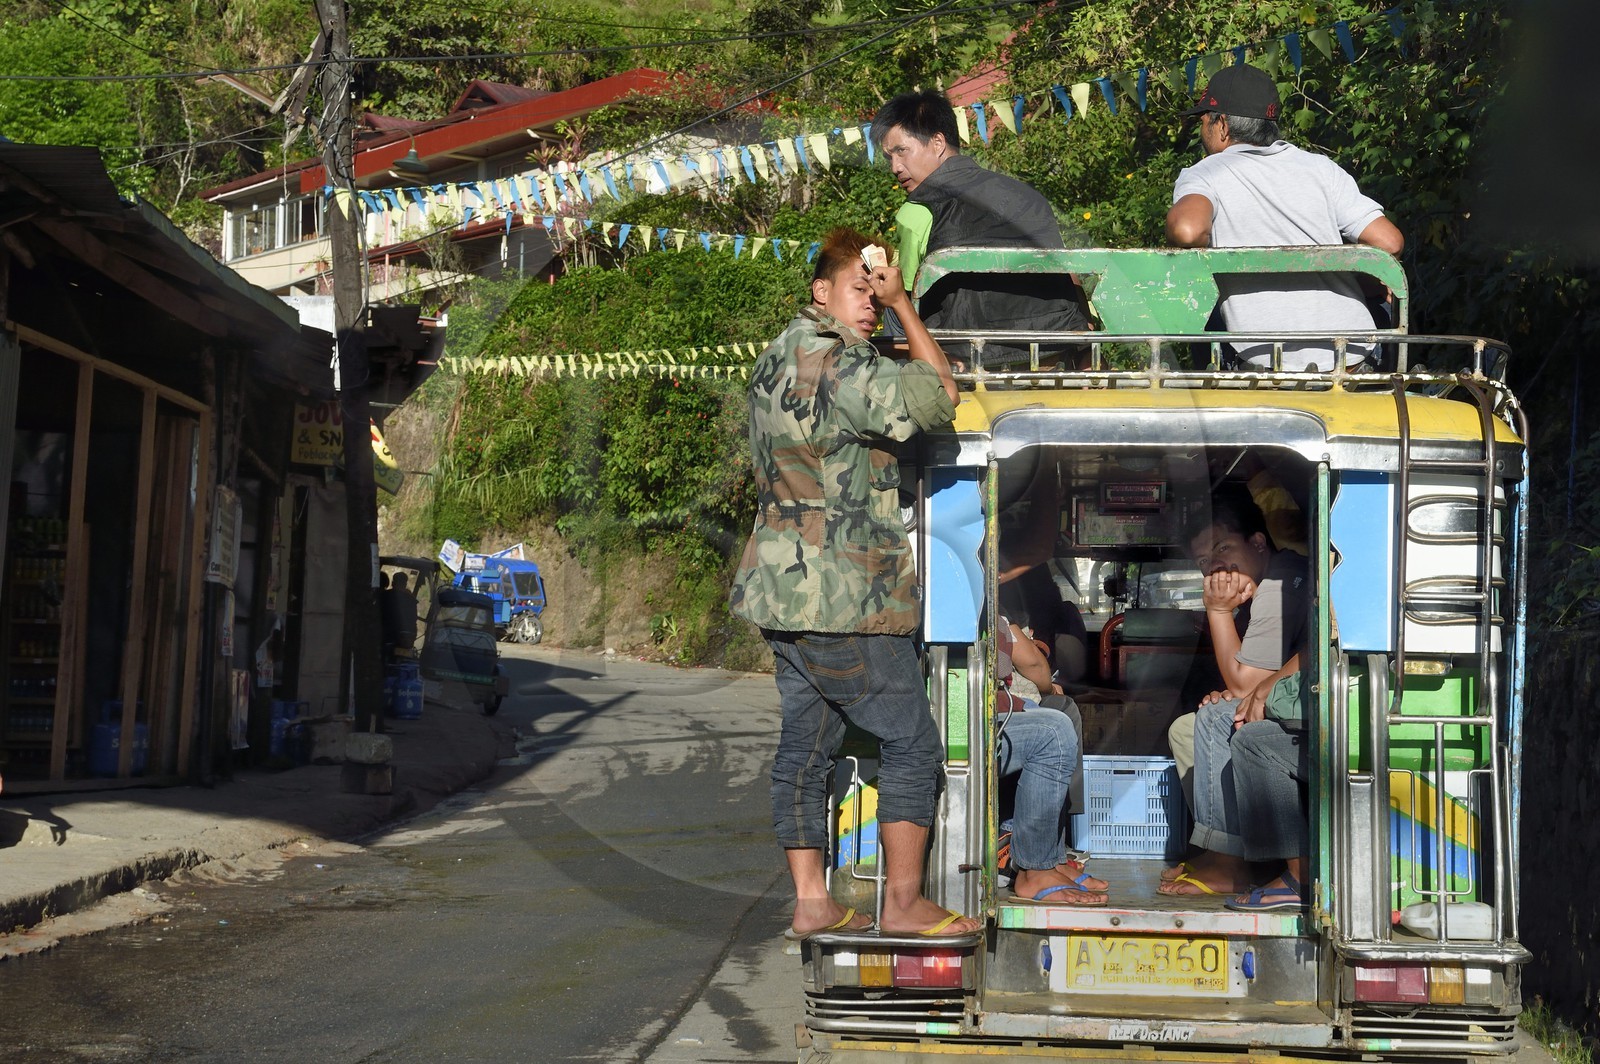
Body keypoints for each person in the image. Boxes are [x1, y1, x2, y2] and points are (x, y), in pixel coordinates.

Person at [729, 227, 979, 939]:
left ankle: (812, 901)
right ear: (822, 292)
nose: (869, 303)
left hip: (779, 592)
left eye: (876, 293)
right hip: (846, 600)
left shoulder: (777, 355)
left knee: (805, 748)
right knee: (913, 742)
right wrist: (906, 308)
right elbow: (938, 397)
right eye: (859, 290)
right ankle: (901, 903)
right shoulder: (842, 365)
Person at [1165, 64, 1405, 372]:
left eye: (1203, 122)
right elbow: (1390, 242)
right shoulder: (1320, 168)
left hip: (1265, 365)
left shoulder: (1207, 172)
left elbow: (1187, 231)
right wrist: (1355, 276)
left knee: (1203, 300)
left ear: (1221, 125)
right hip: (1351, 356)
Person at [1158, 487, 1308, 899]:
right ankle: (1230, 851)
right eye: (1205, 561)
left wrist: (1218, 611)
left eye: (1223, 548)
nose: (1217, 566)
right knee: (1188, 729)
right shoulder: (1265, 583)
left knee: (1213, 720)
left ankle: (1229, 862)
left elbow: (1244, 682)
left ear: (1258, 542)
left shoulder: (1280, 583)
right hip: (1293, 704)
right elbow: (1251, 680)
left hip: (1312, 718)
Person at [870, 90, 1090, 364]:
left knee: (894, 299)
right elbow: (1067, 274)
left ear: (938, 142)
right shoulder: (1029, 196)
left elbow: (905, 301)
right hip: (1048, 353)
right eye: (889, 158)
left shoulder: (918, 211)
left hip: (964, 358)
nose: (895, 167)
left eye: (901, 151)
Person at [994, 616, 1108, 906]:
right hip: (978, 716)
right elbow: (1034, 666)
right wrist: (1045, 687)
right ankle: (1034, 869)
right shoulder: (990, 604)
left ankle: (1051, 860)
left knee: (1060, 715)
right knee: (1052, 731)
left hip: (998, 709)